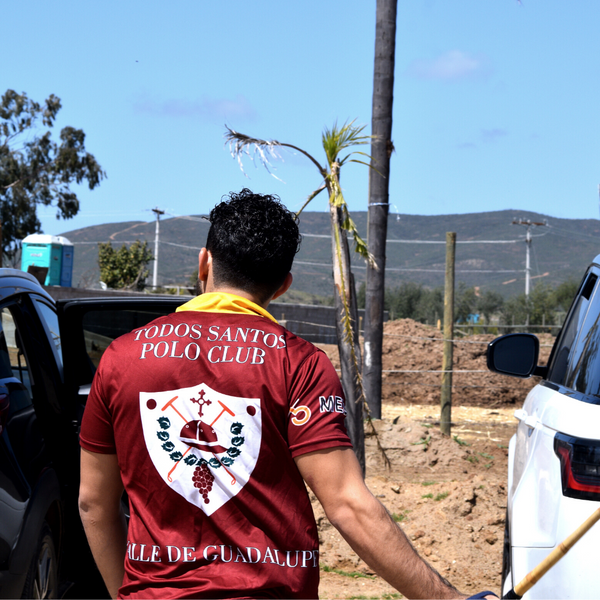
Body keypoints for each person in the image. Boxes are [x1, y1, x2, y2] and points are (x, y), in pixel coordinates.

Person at [79, 189, 496, 599]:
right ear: (283, 285)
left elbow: (94, 504)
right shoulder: (300, 364)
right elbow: (348, 504)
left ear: (203, 262)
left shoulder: (121, 358)